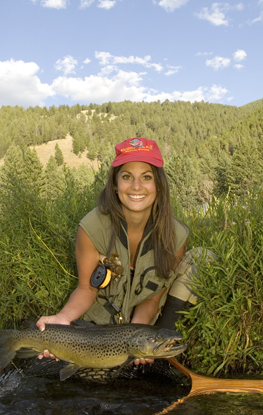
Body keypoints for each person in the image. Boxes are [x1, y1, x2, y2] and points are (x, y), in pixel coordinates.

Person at [37, 137, 199, 364]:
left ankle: (163, 346)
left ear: (159, 185)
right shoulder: (92, 227)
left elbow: (153, 297)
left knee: (203, 259)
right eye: (126, 177)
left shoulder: (176, 235)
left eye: (146, 177)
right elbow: (86, 289)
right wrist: (63, 318)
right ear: (114, 183)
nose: (136, 186)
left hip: (146, 327)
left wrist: (141, 337)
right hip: (100, 336)